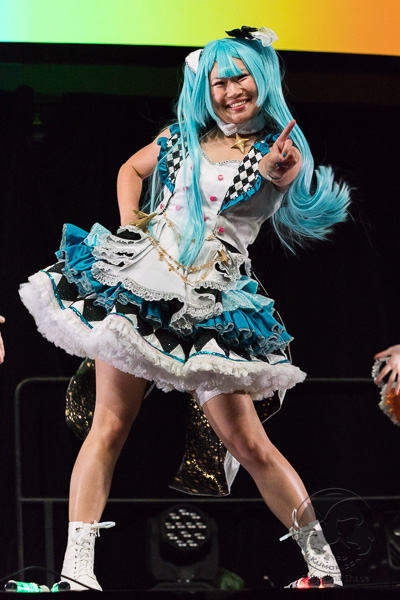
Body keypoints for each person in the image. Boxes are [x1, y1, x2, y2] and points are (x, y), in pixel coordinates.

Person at [19, 26, 350, 590]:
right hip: (143, 288)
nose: (231, 91)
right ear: (205, 88)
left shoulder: (275, 152)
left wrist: (279, 174)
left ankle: (323, 568)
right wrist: (131, 225)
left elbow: (271, 192)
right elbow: (130, 169)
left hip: (210, 304)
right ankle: (77, 572)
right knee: (108, 427)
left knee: (248, 444)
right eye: (220, 82)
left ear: (262, 79)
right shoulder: (181, 138)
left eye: (241, 78)